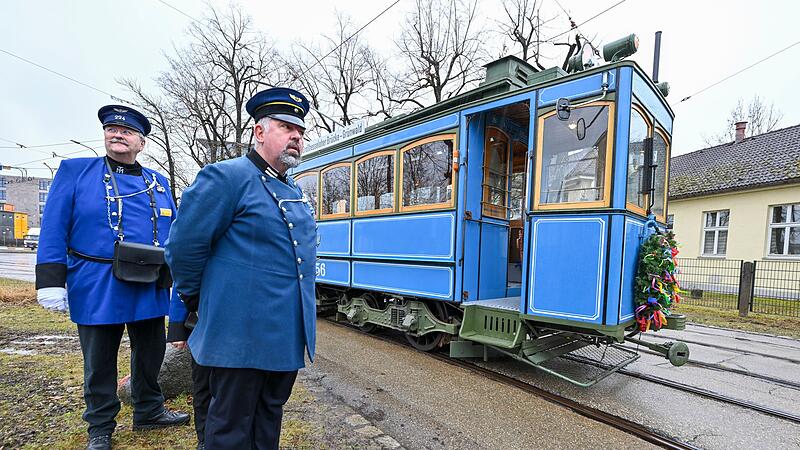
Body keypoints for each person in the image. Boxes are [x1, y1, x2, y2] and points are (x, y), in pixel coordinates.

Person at [166, 87, 317, 449]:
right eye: (286, 127)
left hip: (284, 334)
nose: (296, 136)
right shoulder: (227, 177)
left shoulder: (293, 189)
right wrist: (199, 298)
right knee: (231, 428)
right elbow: (184, 248)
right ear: (259, 132)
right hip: (238, 332)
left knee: (268, 419)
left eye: (300, 130)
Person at [36, 105, 190, 450]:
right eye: (111, 129)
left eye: (127, 131)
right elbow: (54, 226)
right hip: (97, 279)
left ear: (141, 142)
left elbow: (174, 233)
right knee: (99, 360)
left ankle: (148, 410)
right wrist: (50, 279)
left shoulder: (158, 181)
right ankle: (100, 426)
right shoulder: (76, 171)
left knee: (150, 352)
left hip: (149, 278)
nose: (118, 134)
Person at [167, 290, 211, 450]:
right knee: (204, 382)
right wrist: (177, 326)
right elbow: (183, 281)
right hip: (203, 321)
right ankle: (205, 438)